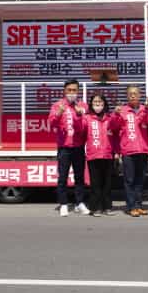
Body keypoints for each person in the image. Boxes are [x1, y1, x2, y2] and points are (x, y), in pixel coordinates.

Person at [48, 79, 89, 217]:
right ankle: (63, 204)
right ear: (64, 91)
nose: (72, 93)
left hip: (78, 147)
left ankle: (79, 203)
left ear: (78, 91)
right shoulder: (57, 105)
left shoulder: (82, 106)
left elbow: (85, 127)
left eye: (74, 90)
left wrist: (79, 115)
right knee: (63, 177)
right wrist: (58, 113)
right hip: (64, 147)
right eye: (69, 90)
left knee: (79, 177)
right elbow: (51, 123)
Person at [116, 86, 148, 217]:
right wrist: (116, 115)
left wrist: (147, 110)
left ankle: (138, 204)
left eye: (135, 93)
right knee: (129, 180)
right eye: (130, 94)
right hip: (128, 150)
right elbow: (114, 127)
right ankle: (131, 206)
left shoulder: (145, 109)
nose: (133, 96)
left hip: (142, 150)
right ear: (127, 96)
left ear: (140, 95)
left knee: (140, 180)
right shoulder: (123, 111)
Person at [82, 94, 118, 217]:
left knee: (107, 184)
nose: (98, 104)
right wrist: (78, 116)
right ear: (91, 104)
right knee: (95, 184)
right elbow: (80, 131)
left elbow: (116, 132)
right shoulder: (87, 118)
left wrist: (116, 151)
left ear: (104, 104)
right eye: (95, 102)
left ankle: (107, 207)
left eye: (100, 102)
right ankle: (95, 208)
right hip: (93, 155)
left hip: (108, 154)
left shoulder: (109, 118)